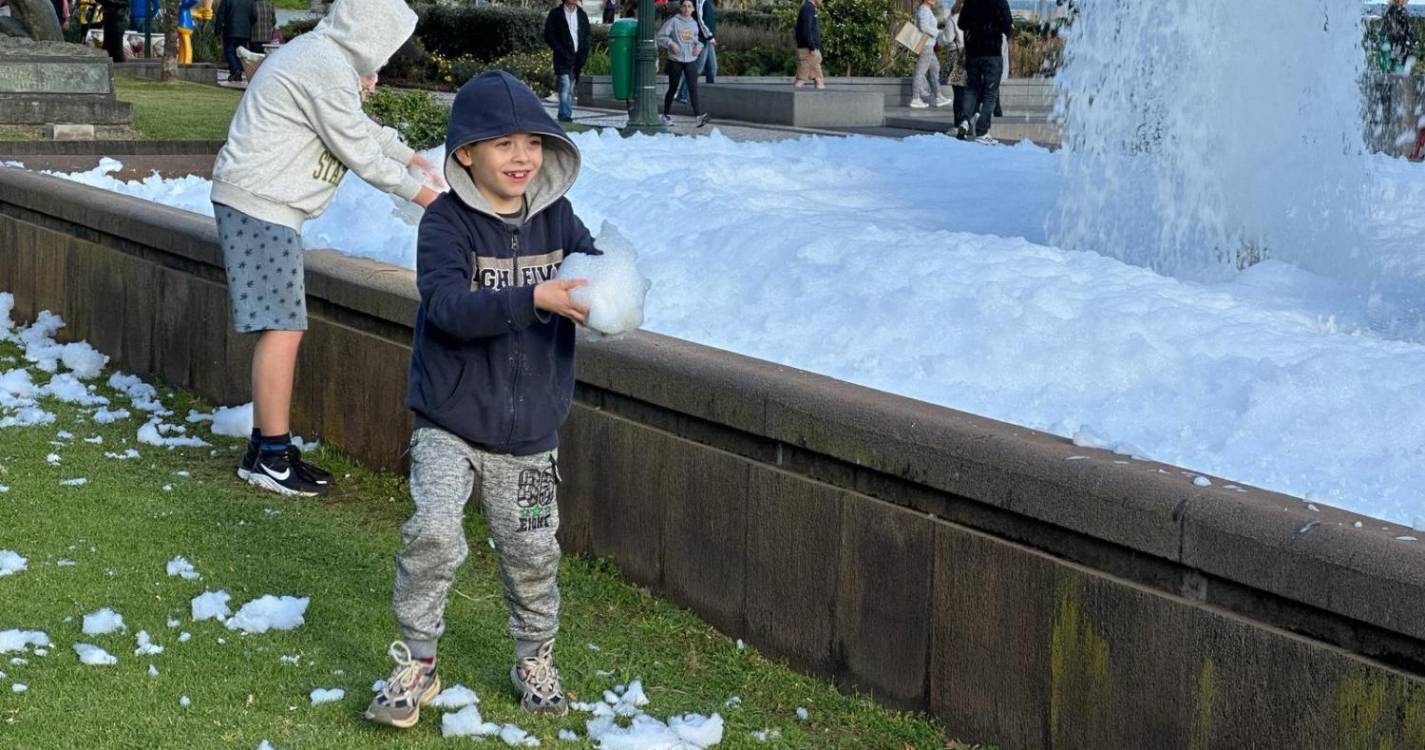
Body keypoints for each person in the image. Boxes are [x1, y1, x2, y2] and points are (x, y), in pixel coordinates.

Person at [363, 70, 601, 729]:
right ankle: (416, 661)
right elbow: (446, 307)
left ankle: (534, 658)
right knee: (433, 533)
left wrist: (606, 293)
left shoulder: (558, 218)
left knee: (531, 551)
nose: (522, 157)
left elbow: (591, 274)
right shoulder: (445, 223)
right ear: (466, 153)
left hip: (530, 431)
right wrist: (532, 299)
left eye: (533, 142)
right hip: (450, 418)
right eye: (503, 144)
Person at [210, 0, 442, 497]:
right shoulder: (322, 62)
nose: (380, 66)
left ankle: (265, 447)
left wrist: (411, 157)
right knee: (283, 329)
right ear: (368, 34)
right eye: (382, 51)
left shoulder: (324, 57)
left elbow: (361, 130)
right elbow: (357, 149)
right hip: (260, 205)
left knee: (283, 326)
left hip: (266, 206)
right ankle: (271, 455)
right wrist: (426, 197)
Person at [956, 0, 1012, 143]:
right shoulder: (1000, 2)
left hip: (973, 52)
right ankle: (982, 130)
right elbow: (1007, 26)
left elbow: (961, 24)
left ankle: (965, 121)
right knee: (990, 93)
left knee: (971, 88)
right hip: (992, 52)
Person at [656, 0, 711, 127]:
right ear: (681, 8)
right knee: (673, 88)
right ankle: (665, 116)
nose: (686, 9)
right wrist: (671, 44)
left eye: (689, 6)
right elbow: (660, 37)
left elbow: (696, 39)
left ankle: (698, 117)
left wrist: (699, 46)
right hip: (675, 60)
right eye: (684, 6)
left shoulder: (695, 24)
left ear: (693, 9)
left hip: (691, 60)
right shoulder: (673, 21)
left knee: (693, 88)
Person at [544, 0, 590, 124]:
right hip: (562, 56)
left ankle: (566, 114)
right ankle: (564, 116)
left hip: (577, 57)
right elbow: (549, 35)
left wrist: (584, 53)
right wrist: (560, 49)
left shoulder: (582, 15)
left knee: (570, 89)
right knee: (564, 85)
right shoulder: (556, 14)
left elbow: (586, 36)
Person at [910, 0, 952, 109]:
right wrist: (938, 32)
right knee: (920, 70)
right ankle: (915, 98)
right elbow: (923, 27)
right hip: (926, 45)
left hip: (929, 45)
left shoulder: (927, 9)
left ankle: (938, 95)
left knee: (935, 68)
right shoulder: (923, 10)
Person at [676, 0, 716, 101]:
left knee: (712, 68)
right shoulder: (699, 2)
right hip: (702, 39)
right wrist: (709, 36)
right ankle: (682, 94)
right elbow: (700, 20)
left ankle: (710, 96)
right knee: (697, 68)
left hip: (706, 39)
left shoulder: (705, 2)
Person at [940, 0, 968, 124]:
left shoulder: (955, 19)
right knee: (970, 92)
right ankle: (969, 122)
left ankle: (959, 123)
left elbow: (947, 39)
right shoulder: (977, 18)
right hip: (973, 57)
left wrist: (938, 38)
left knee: (959, 93)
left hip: (958, 57)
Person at [217, 0, 255, 82]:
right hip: (244, 32)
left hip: (230, 30)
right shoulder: (250, 1)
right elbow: (254, 16)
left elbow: (221, 15)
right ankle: (237, 73)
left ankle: (235, 70)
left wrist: (218, 29)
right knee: (240, 53)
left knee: (229, 52)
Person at [793, 0, 823, 89]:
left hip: (809, 49)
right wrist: (812, 46)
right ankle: (789, 99)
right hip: (809, 51)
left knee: (817, 79)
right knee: (802, 79)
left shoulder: (809, 8)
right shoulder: (808, 8)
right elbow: (806, 29)